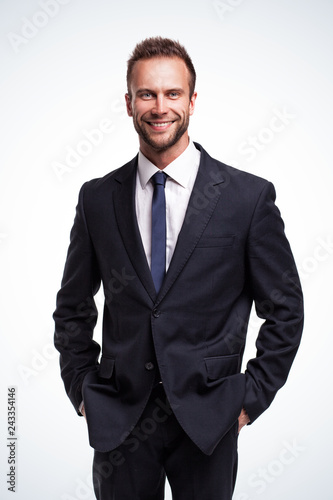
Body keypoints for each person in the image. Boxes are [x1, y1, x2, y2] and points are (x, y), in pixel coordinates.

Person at [53, 36, 304, 500]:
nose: (159, 106)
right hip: (120, 420)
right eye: (146, 94)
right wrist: (83, 391)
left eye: (172, 93)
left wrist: (249, 400)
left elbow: (286, 310)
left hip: (210, 421)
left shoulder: (247, 198)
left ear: (192, 100)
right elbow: (72, 308)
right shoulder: (97, 198)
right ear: (128, 104)